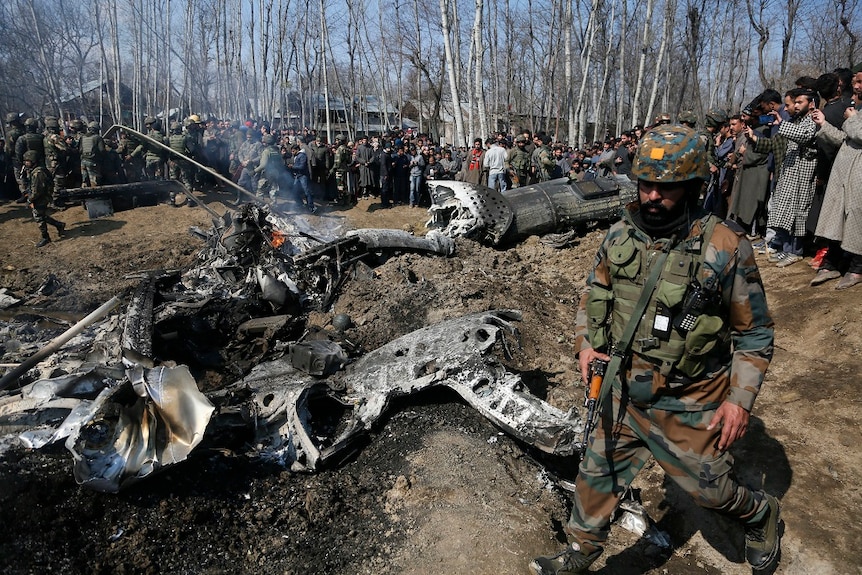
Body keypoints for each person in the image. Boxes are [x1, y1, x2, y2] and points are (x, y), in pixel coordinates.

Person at [531, 124, 780, 575]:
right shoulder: (618, 237)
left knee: (711, 491)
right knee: (596, 476)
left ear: (691, 187)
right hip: (623, 390)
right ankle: (580, 554)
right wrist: (586, 344)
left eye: (665, 188)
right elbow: (593, 297)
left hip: (688, 397)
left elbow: (755, 335)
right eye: (646, 185)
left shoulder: (725, 247)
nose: (651, 197)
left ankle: (761, 514)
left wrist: (739, 403)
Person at [809, 63, 862, 290]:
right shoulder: (856, 108)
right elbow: (845, 139)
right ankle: (832, 263)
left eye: (860, 81)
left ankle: (857, 268)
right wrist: (823, 125)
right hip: (843, 169)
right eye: (855, 82)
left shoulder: (853, 113)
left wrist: (851, 119)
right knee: (835, 215)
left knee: (856, 216)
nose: (856, 86)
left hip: (858, 172)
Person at [22, 150, 65, 247]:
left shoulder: (38, 173)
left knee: (38, 216)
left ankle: (45, 237)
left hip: (41, 197)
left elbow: (37, 191)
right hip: (41, 196)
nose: (25, 163)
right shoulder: (36, 170)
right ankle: (59, 225)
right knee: (41, 215)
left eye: (27, 161)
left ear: (33, 160)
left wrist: (30, 200)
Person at [289, 143, 315, 213]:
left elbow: (302, 167)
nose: (292, 153)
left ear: (297, 150)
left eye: (293, 151)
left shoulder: (302, 156)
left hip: (303, 176)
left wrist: (292, 167)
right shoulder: (297, 156)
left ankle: (311, 207)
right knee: (294, 192)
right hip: (298, 176)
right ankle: (300, 205)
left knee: (307, 192)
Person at [80, 121, 106, 188]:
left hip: (83, 162)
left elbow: (80, 150)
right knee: (95, 182)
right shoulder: (97, 138)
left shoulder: (83, 137)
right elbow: (102, 150)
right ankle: (96, 197)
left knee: (84, 181)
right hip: (93, 162)